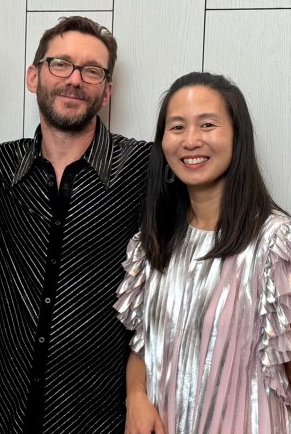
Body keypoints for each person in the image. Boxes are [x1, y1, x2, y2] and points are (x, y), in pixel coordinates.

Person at [0, 16, 152, 433]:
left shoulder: (144, 166)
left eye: (91, 71)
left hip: (96, 415)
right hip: (1, 410)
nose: (74, 79)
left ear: (106, 91)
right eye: (60, 64)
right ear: (33, 76)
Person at [116, 72, 291, 434]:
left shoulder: (275, 242)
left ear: (238, 136)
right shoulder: (154, 242)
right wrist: (135, 396)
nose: (191, 140)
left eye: (207, 124)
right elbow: (144, 345)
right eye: (177, 127)